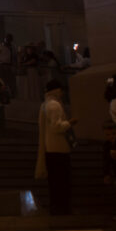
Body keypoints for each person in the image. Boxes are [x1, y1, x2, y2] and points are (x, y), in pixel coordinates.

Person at [36, 80, 77, 215]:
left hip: (50, 149)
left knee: (54, 184)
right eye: (61, 90)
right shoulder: (54, 105)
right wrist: (70, 123)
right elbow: (56, 126)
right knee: (62, 183)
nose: (63, 93)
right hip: (59, 149)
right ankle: (63, 209)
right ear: (57, 90)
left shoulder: (45, 105)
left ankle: (56, 208)